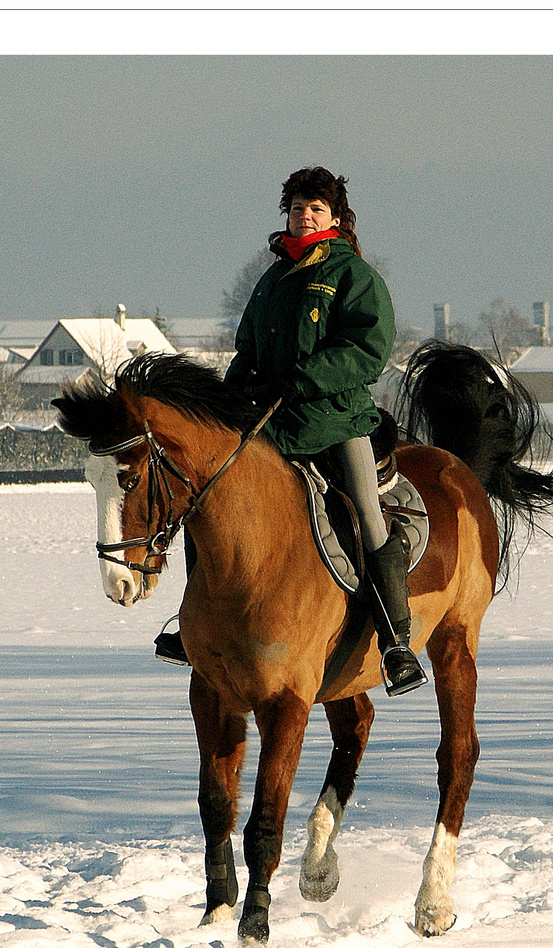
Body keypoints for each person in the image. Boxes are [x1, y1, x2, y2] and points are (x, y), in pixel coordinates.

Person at [155, 167, 426, 696]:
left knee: (368, 515)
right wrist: (224, 409)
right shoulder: (271, 279)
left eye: (316, 209)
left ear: (335, 218)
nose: (305, 215)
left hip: (337, 421)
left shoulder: (354, 277)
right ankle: (195, 628)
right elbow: (249, 353)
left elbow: (368, 350)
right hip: (271, 426)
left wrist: (301, 379)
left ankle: (396, 643)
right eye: (298, 207)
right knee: (206, 500)